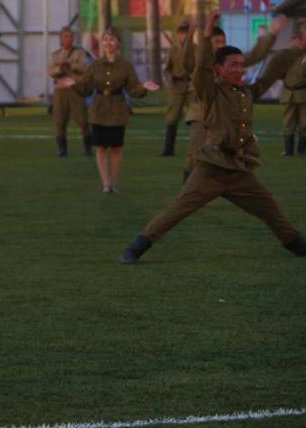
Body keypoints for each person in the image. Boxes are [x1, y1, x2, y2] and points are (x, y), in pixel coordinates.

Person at [121, 42, 306, 263]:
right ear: (218, 68)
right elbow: (201, 69)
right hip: (211, 168)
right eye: (233, 65)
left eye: (242, 65)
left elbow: (270, 74)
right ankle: (136, 247)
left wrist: (289, 45)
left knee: (269, 207)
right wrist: (206, 35)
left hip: (238, 169)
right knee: (180, 208)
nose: (239, 69)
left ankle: (296, 245)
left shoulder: (246, 93)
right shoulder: (210, 91)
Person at [183, 12, 282, 180]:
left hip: (223, 116)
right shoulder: (202, 60)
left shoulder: (230, 61)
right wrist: (192, 34)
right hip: (202, 114)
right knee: (196, 157)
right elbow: (187, 62)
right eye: (217, 41)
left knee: (230, 156)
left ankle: (230, 186)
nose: (221, 45)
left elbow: (255, 55)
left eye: (223, 41)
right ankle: (189, 188)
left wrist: (271, 34)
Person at [70, 27, 159, 193]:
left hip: (118, 111)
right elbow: (86, 88)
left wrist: (144, 87)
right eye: (105, 40)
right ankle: (106, 184)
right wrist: (73, 83)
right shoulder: (94, 66)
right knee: (101, 148)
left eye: (112, 39)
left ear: (119, 43)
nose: (108, 43)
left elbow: (133, 89)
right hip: (99, 110)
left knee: (116, 148)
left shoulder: (126, 66)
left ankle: (113, 183)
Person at [48, 26, 91, 157]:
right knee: (59, 120)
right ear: (60, 39)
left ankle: (88, 148)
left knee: (82, 120)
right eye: (66, 36)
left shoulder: (80, 53)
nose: (69, 39)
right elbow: (50, 71)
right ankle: (62, 149)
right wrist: (60, 69)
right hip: (61, 90)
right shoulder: (55, 55)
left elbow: (85, 67)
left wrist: (71, 65)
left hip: (75, 88)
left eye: (71, 36)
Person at [160, 22, 194, 157]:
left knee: (196, 117)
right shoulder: (173, 50)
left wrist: (194, 81)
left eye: (186, 33)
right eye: (181, 34)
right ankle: (168, 150)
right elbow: (167, 69)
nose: (183, 36)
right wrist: (170, 79)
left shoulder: (196, 49)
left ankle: (197, 148)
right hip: (176, 86)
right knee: (172, 118)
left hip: (192, 87)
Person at [279, 21, 306, 156]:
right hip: (288, 92)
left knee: (304, 123)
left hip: (302, 93)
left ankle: (302, 150)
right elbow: (279, 73)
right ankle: (288, 151)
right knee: (288, 123)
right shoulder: (286, 55)